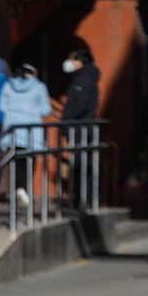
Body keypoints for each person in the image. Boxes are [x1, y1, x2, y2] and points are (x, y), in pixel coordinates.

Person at [0, 63, 52, 208]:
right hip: (31, 131)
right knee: (28, 161)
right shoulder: (39, 87)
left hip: (11, 129)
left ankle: (12, 190)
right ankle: (23, 189)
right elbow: (45, 110)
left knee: (12, 161)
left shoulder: (8, 85)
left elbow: (2, 107)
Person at [60, 49, 101, 208]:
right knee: (82, 165)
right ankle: (82, 198)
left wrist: (66, 121)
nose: (69, 63)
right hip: (81, 128)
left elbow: (80, 106)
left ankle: (83, 199)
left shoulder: (83, 80)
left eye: (72, 60)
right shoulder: (84, 78)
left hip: (80, 129)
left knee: (80, 166)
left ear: (80, 61)